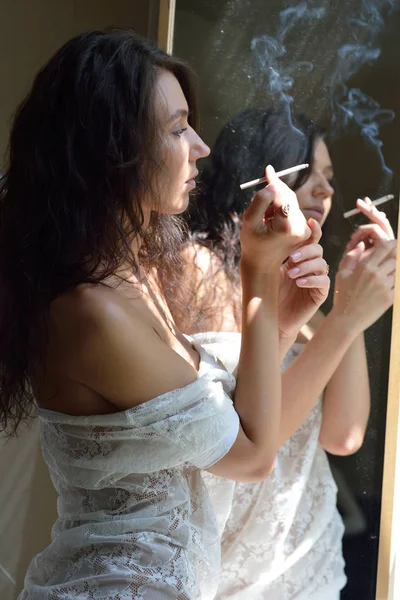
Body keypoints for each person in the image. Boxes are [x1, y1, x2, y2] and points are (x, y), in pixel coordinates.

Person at [0, 31, 325, 599]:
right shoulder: (92, 311)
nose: (200, 145)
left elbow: (220, 409)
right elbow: (250, 456)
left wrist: (282, 320)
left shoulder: (131, 276)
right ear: (113, 149)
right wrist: (257, 275)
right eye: (177, 129)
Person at [171, 107, 396, 599]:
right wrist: (344, 319)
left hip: (311, 564)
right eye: (305, 172)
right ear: (259, 174)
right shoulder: (202, 270)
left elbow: (344, 436)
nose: (324, 190)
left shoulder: (306, 304)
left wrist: (346, 303)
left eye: (329, 178)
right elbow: (243, 437)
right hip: (236, 573)